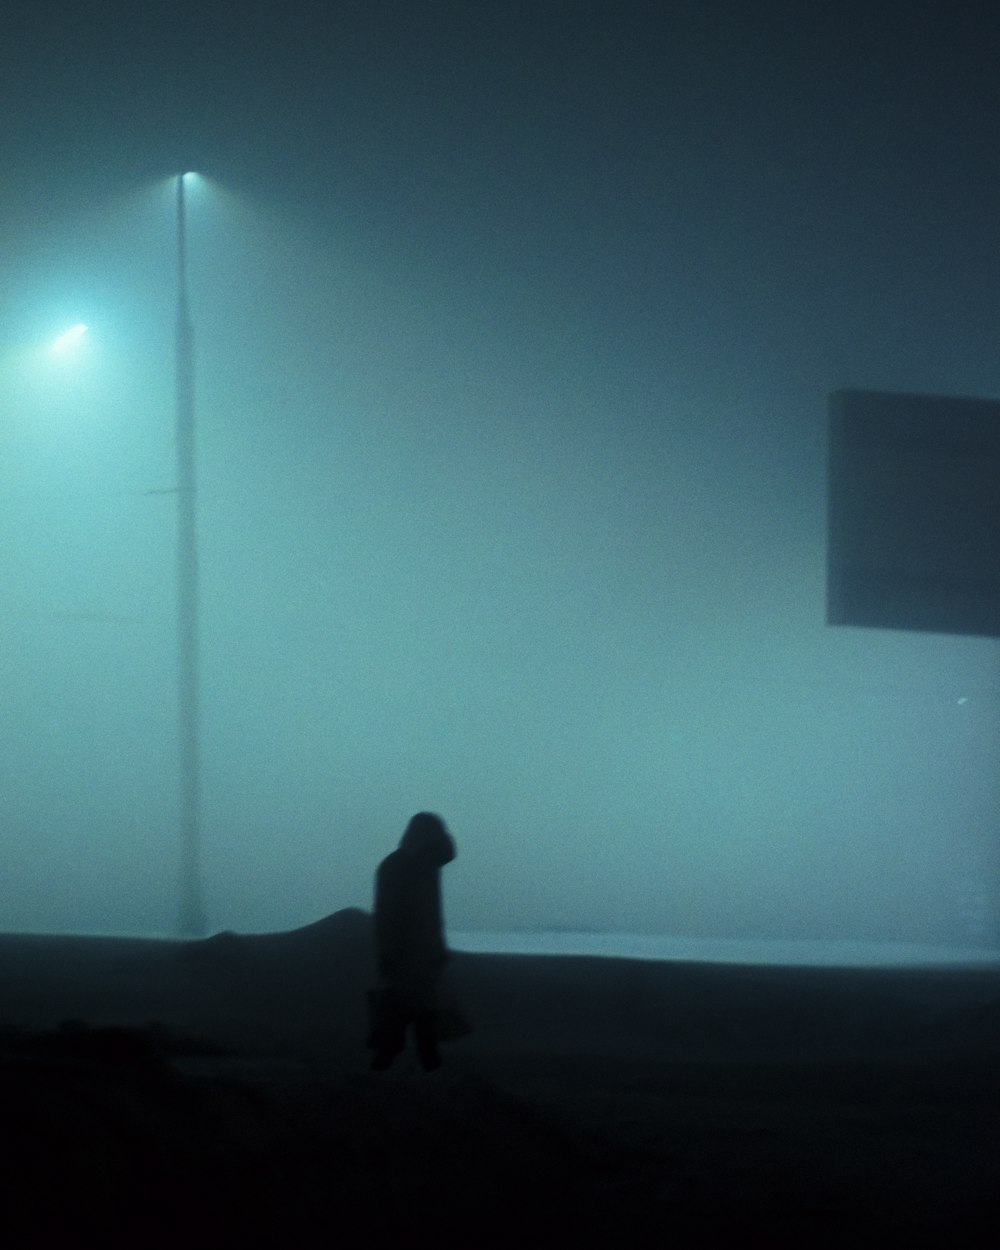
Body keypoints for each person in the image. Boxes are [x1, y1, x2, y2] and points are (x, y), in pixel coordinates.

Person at [368, 812, 457, 1071]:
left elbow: (427, 915)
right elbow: (389, 915)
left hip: (420, 960)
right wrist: (388, 954)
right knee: (399, 1024)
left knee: (415, 1026)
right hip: (407, 959)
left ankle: (392, 1074)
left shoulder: (421, 867)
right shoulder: (400, 867)